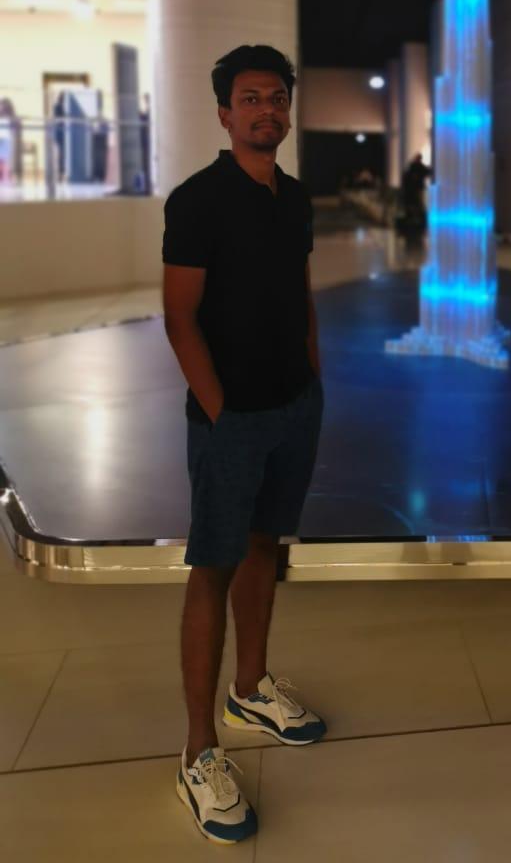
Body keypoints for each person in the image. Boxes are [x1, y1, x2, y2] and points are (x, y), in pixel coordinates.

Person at [162, 43, 326, 845]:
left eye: (277, 98)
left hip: (295, 407)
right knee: (214, 565)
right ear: (225, 113)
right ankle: (198, 751)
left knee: (265, 545)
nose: (267, 110)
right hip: (232, 418)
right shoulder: (198, 200)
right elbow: (179, 317)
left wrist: (314, 381)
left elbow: (299, 294)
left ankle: (251, 687)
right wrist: (221, 412)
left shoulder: (295, 199)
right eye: (252, 98)